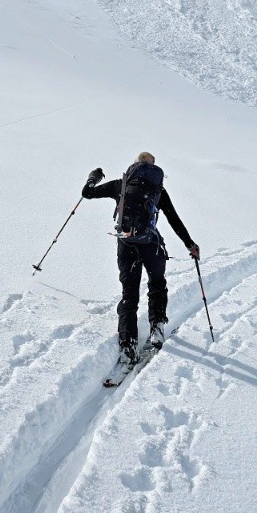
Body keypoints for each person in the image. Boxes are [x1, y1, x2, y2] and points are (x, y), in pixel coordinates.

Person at [82, 152, 199, 366]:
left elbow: (86, 194)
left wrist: (93, 177)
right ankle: (156, 328)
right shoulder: (157, 190)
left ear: (135, 165)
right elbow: (174, 219)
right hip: (150, 246)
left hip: (126, 245)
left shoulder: (121, 185)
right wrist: (190, 245)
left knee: (129, 295)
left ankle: (128, 346)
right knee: (157, 283)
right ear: (153, 169)